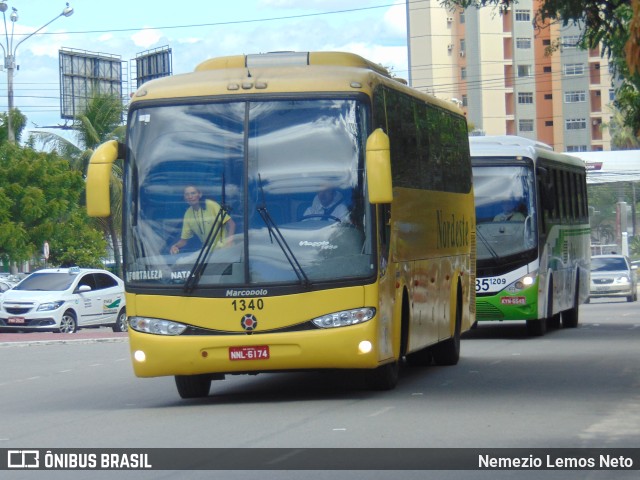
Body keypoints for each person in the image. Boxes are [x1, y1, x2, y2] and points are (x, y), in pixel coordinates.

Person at [170, 185, 236, 254]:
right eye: (187, 194)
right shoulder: (187, 214)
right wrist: (175, 246)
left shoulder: (211, 205)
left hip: (225, 250)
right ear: (184, 197)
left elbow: (231, 224)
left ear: (200, 194)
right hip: (208, 253)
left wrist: (229, 243)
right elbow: (184, 241)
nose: (190, 197)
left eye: (193, 193)